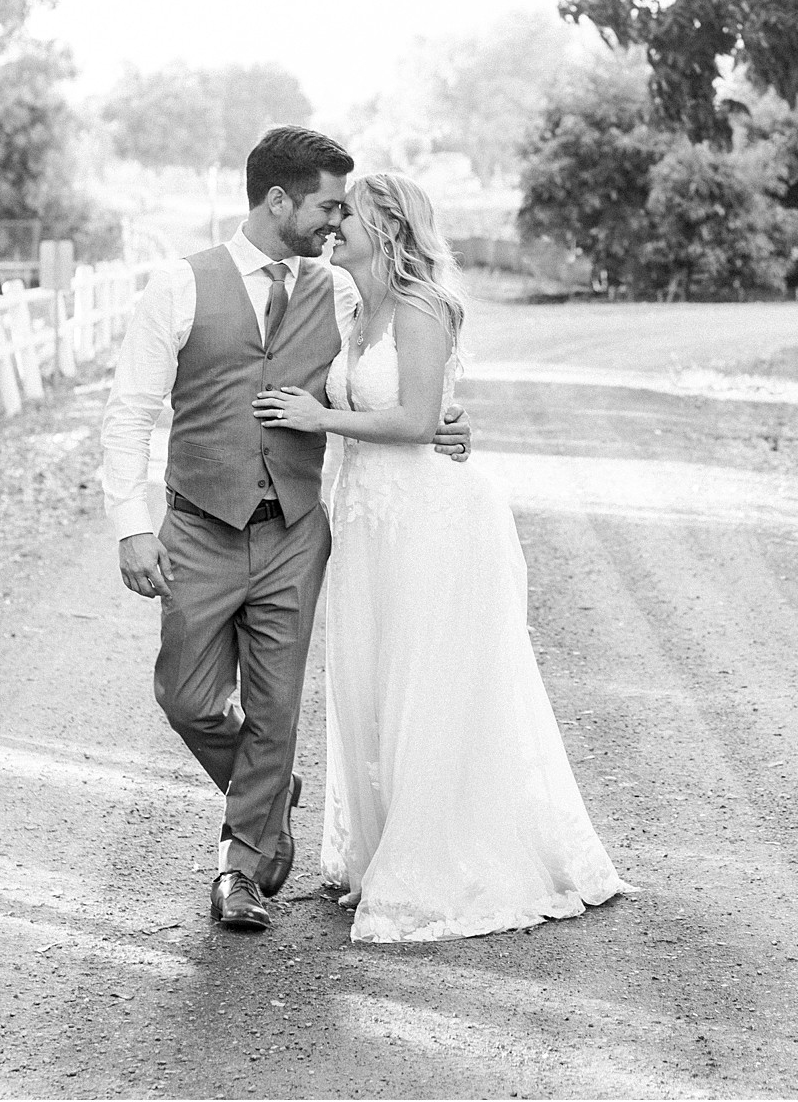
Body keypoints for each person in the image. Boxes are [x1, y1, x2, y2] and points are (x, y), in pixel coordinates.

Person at [101, 129, 472, 931]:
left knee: (274, 708)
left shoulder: (339, 292)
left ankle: (242, 870)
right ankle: (269, 793)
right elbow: (129, 413)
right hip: (198, 526)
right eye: (326, 206)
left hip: (295, 530)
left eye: (345, 210)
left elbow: (396, 366)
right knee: (188, 697)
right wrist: (133, 527)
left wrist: (443, 419)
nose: (336, 223)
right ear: (279, 201)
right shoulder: (180, 285)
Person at [253, 172, 625, 943]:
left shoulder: (422, 307)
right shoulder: (351, 306)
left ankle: (440, 862)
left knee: (430, 685)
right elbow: (416, 410)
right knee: (375, 681)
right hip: (365, 522)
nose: (332, 225)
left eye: (344, 214)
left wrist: (319, 414)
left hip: (428, 519)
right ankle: (386, 845)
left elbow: (420, 417)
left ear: (385, 227)